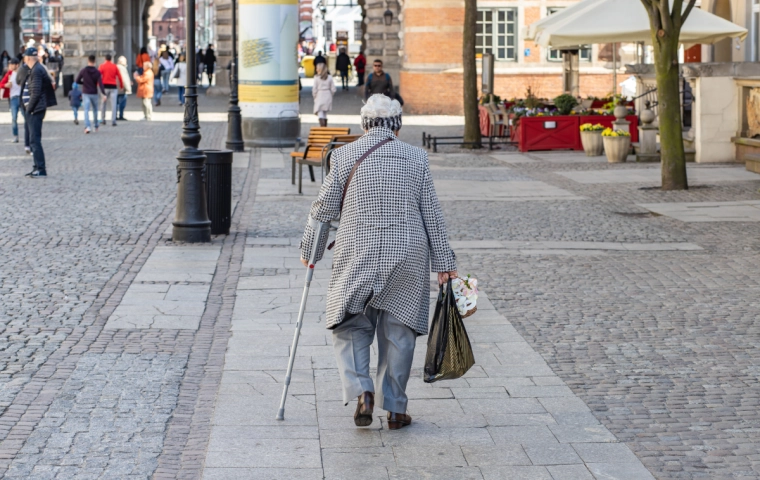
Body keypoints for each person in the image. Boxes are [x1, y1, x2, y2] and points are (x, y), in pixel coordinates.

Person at [299, 94, 457, 430]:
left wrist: (309, 251)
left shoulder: (342, 156)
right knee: (399, 332)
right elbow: (432, 214)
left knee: (349, 325)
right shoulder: (417, 158)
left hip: (357, 251)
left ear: (363, 124)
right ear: (397, 125)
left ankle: (362, 392)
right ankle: (396, 410)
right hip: (407, 254)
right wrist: (444, 262)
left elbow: (323, 210)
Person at [23, 47, 57, 178]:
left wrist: (29, 109)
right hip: (36, 108)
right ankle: (36, 167)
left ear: (27, 58)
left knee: (34, 140)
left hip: (35, 109)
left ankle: (41, 169)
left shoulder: (36, 70)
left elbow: (36, 92)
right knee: (33, 140)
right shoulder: (37, 68)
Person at [75, 54, 106, 134]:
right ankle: (96, 125)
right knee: (95, 110)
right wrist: (103, 93)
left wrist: (83, 83)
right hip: (94, 93)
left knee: (86, 110)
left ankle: (87, 126)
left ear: (88, 61)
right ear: (94, 61)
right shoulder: (97, 72)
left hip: (86, 92)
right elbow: (100, 84)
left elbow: (77, 80)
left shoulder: (83, 70)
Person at [98, 53, 125, 127]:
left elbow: (98, 75)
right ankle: (113, 121)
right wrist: (121, 86)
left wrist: (97, 84)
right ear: (111, 59)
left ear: (105, 59)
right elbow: (119, 76)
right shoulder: (114, 66)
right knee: (113, 104)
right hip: (113, 87)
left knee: (103, 103)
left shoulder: (102, 66)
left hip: (104, 87)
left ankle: (103, 119)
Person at [0, 59, 21, 143]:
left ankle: (29, 136)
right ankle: (15, 136)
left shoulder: (22, 73)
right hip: (13, 98)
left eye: (11, 64)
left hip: (22, 97)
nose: (9, 66)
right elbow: (1, 84)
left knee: (27, 117)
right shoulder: (9, 74)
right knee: (14, 118)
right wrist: (6, 85)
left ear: (16, 65)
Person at [15, 59, 31, 154]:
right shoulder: (35, 69)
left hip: (24, 99)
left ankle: (27, 145)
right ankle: (29, 145)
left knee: (27, 124)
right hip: (28, 100)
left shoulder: (21, 69)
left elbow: (18, 81)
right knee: (30, 124)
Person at [313, 63, 336, 127]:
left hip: (319, 95)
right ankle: (325, 127)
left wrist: (315, 97)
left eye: (317, 68)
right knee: (325, 113)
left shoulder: (316, 78)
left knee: (320, 113)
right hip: (328, 94)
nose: (316, 69)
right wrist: (330, 94)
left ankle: (322, 128)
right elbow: (333, 89)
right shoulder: (330, 77)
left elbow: (314, 89)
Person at [116, 56, 132, 121]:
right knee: (122, 103)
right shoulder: (122, 68)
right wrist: (128, 88)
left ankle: (115, 115)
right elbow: (124, 79)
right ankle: (121, 115)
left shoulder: (116, 67)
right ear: (122, 61)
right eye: (125, 61)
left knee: (116, 103)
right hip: (121, 88)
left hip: (115, 88)